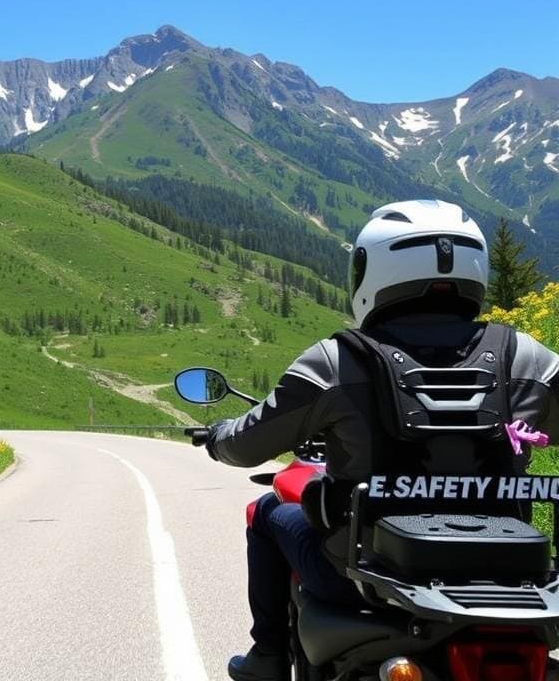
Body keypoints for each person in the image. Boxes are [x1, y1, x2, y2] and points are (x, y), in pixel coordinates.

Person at [205, 200, 559, 681]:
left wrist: (218, 437)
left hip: (364, 577)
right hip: (512, 578)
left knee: (266, 513)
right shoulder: (528, 358)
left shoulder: (335, 360)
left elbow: (246, 445)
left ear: (374, 267)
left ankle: (267, 656)